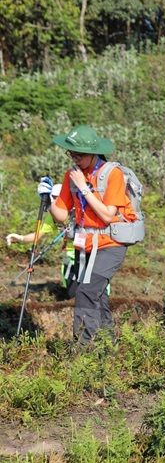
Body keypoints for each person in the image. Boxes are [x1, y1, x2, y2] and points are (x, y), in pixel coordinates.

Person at [43, 125, 136, 343]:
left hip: (112, 243)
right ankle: (107, 348)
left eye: (79, 154)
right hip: (86, 245)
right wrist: (47, 199)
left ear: (93, 152)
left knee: (85, 292)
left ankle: (84, 348)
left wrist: (84, 188)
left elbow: (106, 215)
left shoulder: (112, 174)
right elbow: (61, 215)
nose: (74, 158)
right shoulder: (72, 175)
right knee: (98, 294)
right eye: (71, 153)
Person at [6, 184, 77, 296]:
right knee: (73, 293)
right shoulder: (53, 217)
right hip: (68, 257)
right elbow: (38, 234)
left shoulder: (80, 212)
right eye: (52, 198)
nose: (54, 201)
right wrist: (21, 238)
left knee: (93, 291)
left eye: (57, 197)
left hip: (87, 255)